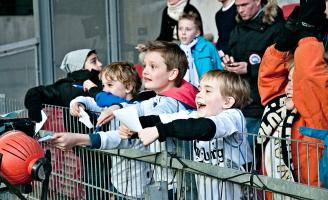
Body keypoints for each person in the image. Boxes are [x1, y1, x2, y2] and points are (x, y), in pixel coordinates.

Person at [52, 41, 198, 199]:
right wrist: (116, 106)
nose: (145, 71)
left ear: (172, 74)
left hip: (172, 186)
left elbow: (128, 132)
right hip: (162, 182)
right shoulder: (158, 98)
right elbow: (135, 107)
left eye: (153, 66)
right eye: (145, 65)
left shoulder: (169, 103)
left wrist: (81, 139)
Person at [120, 70, 253, 200]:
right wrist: (135, 126)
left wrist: (159, 131)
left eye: (207, 91)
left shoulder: (233, 116)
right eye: (199, 89)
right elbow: (164, 119)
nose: (199, 95)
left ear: (227, 102)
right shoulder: (196, 114)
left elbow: (204, 127)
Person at [258, 0, 327, 196]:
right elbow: (269, 78)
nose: (289, 87)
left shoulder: (316, 118)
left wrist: (308, 35)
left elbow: (310, 78)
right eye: (289, 80)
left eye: (296, 82)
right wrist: (283, 43)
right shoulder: (280, 108)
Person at [221, 0, 284, 142]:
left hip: (261, 105)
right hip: (239, 101)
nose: (240, 10)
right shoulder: (238, 27)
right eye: (237, 6)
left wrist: (250, 68)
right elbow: (233, 51)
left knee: (249, 154)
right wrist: (229, 61)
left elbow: (282, 66)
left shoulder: (277, 28)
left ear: (257, 2)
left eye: (244, 5)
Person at [24, 49, 102, 122]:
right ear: (79, 67)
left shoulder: (105, 82)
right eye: (94, 61)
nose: (100, 64)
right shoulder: (65, 88)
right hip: (77, 135)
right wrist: (35, 118)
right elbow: (34, 93)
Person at [69, 61, 142, 116]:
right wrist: (78, 103)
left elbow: (123, 104)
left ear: (128, 87)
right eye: (103, 85)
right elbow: (89, 101)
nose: (104, 90)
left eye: (110, 85)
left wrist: (93, 89)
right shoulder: (108, 105)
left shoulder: (136, 106)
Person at [178, 12, 223, 87]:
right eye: (180, 29)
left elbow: (219, 69)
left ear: (197, 32)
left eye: (188, 29)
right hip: (184, 92)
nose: (183, 33)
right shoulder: (177, 51)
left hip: (206, 90)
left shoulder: (208, 47)